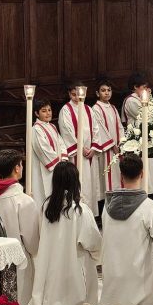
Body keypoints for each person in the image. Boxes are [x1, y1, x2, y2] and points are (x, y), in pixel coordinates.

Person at [69, 153, 153, 305]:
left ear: (121, 176)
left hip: (112, 276)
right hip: (138, 278)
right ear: (142, 174)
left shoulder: (107, 207)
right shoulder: (149, 207)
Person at [23, 162, 102, 305]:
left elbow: (41, 235)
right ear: (75, 181)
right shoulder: (80, 210)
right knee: (77, 303)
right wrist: (97, 255)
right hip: (73, 268)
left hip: (49, 266)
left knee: (50, 299)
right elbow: (92, 241)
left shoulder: (46, 207)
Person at [0, 149, 40, 305]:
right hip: (17, 260)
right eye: (21, 165)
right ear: (17, 168)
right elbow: (32, 242)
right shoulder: (24, 201)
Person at [59, 82, 102, 212]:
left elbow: (96, 129)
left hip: (90, 153)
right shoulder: (66, 110)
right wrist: (80, 148)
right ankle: (77, 211)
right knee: (79, 182)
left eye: (79, 94)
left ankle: (91, 213)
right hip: (77, 154)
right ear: (69, 94)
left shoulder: (88, 109)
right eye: (73, 94)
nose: (77, 97)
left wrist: (94, 147)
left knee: (89, 184)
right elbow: (67, 131)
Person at [92, 79, 124, 207]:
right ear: (97, 93)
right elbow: (100, 128)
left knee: (118, 176)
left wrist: (121, 142)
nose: (107, 93)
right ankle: (108, 205)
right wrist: (112, 145)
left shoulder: (113, 108)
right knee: (108, 177)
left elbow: (120, 126)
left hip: (117, 148)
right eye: (103, 90)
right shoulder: (96, 108)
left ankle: (119, 202)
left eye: (109, 90)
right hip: (107, 149)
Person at [31, 99, 68, 210]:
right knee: (45, 194)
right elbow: (43, 149)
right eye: (44, 111)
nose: (48, 113)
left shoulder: (52, 126)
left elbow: (61, 143)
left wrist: (63, 159)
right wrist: (58, 164)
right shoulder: (36, 129)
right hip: (45, 168)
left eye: (49, 110)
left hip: (58, 166)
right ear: (36, 113)